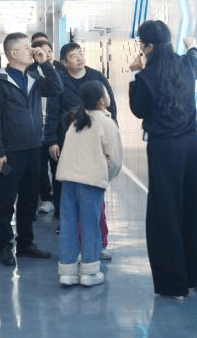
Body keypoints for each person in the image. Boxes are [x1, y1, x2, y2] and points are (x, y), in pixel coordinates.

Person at [129, 20, 197, 299]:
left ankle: (174, 285)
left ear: (148, 47)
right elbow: (195, 54)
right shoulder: (186, 64)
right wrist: (192, 44)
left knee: (165, 212)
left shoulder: (146, 77)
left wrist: (135, 72)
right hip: (191, 145)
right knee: (194, 206)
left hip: (164, 149)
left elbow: (139, 110)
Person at [0, 32, 64, 266]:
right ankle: (5, 247)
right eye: (26, 47)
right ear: (13, 52)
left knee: (29, 200)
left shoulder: (33, 77)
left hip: (33, 149)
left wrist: (45, 64)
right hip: (10, 153)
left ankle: (25, 244)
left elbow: (57, 88)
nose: (32, 50)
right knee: (6, 201)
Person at [45, 42, 116, 260]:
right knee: (72, 200)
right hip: (69, 143)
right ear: (64, 62)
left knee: (95, 202)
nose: (79, 57)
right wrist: (51, 140)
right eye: (73, 55)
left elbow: (112, 108)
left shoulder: (96, 77)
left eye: (80, 53)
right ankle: (76, 247)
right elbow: (53, 112)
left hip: (95, 146)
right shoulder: (59, 80)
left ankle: (99, 244)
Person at [56, 81, 122, 286]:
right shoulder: (106, 123)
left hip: (68, 181)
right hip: (91, 183)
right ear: (102, 100)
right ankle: (89, 272)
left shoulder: (76, 121)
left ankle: (67, 272)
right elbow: (115, 160)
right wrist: (104, 178)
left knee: (68, 224)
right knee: (90, 224)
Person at [31, 39, 59, 215]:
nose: (47, 55)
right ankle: (46, 198)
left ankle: (59, 200)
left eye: (50, 51)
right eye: (42, 52)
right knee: (40, 168)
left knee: (57, 167)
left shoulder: (59, 73)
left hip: (54, 128)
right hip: (37, 129)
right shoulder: (32, 74)